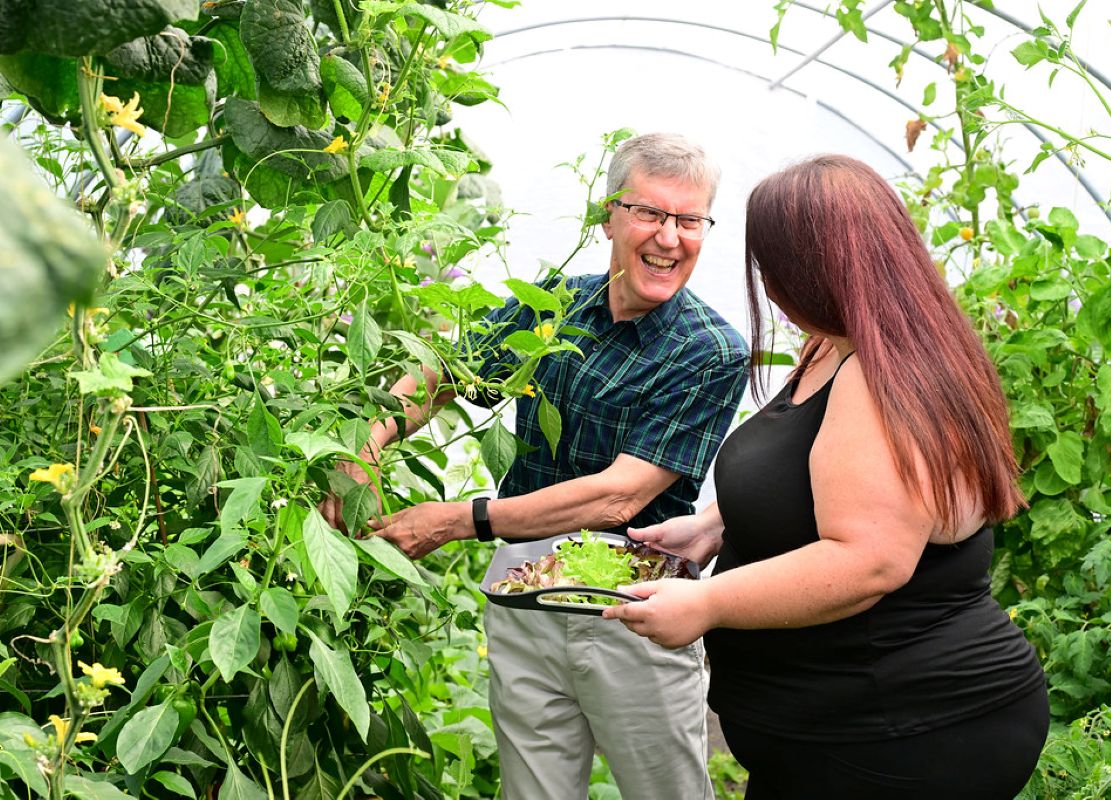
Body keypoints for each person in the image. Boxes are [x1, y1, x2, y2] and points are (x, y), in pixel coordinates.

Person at [604, 154, 1049, 800]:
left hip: (903, 735)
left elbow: (871, 560)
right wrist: (713, 526)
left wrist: (706, 603)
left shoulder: (877, 374)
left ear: (809, 268)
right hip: (842, 731)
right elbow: (808, 465)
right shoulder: (839, 342)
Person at [322, 133, 748, 800]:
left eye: (689, 220)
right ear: (608, 215)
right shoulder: (554, 307)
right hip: (524, 596)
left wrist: (460, 520)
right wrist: (366, 446)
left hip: (631, 610)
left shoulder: (709, 350)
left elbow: (619, 498)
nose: (669, 238)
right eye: (649, 213)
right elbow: (445, 371)